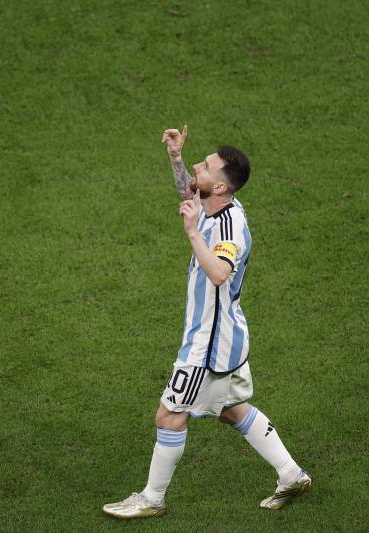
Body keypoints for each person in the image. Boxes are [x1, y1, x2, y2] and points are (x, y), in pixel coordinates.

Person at [102, 125, 312, 519]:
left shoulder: (232, 227)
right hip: (227, 335)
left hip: (209, 345)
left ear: (220, 188)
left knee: (169, 415)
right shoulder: (213, 201)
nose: (200, 165)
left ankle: (152, 499)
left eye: (207, 166)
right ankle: (291, 473)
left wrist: (192, 233)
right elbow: (188, 191)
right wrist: (177, 158)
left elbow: (219, 272)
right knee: (231, 408)